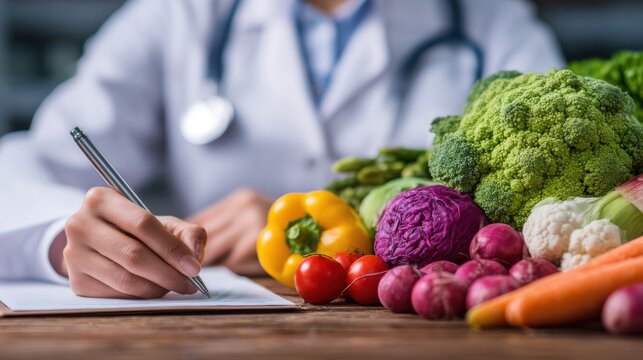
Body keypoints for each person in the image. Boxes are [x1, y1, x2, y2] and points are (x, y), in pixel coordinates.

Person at [0, 0, 563, 298]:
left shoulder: (494, 20)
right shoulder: (177, 15)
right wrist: (64, 237)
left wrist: (349, 230)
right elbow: (22, 166)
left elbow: (561, 199)